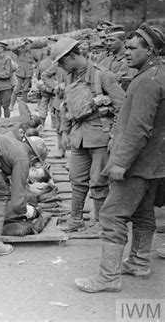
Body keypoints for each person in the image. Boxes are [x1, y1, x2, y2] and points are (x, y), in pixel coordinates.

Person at [75, 24, 164, 293]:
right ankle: (138, 261)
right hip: (155, 164)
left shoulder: (147, 82)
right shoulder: (156, 74)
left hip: (137, 164)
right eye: (126, 47)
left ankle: (108, 278)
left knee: (112, 215)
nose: (127, 53)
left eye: (133, 48)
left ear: (150, 50)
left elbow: (139, 128)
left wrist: (121, 163)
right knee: (143, 212)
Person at [51, 37, 125, 234]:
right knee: (76, 178)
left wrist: (115, 137)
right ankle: (76, 219)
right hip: (78, 136)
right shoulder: (69, 77)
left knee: (99, 180)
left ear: (73, 56)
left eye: (61, 61)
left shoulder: (103, 76)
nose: (60, 66)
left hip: (101, 135)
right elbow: (65, 105)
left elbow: (122, 107)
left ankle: (101, 223)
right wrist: (65, 131)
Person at [8, 38, 39, 110]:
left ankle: (23, 105)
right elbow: (12, 49)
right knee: (16, 90)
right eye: (26, 44)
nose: (27, 45)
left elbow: (38, 61)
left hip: (28, 73)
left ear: (31, 45)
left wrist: (35, 65)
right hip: (19, 73)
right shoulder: (20, 51)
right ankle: (11, 105)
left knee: (25, 90)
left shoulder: (33, 53)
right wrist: (21, 44)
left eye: (29, 44)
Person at [0, 40, 14, 119]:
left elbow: (7, 74)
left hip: (6, 87)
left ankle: (7, 124)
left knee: (5, 106)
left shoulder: (7, 59)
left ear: (2, 49)